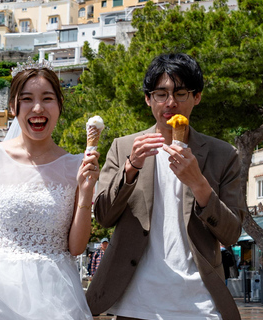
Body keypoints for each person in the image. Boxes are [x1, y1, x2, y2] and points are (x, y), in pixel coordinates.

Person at [86, 53, 247, 319]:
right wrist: (130, 169)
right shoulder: (124, 147)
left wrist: (199, 184)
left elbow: (231, 234)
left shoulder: (222, 154)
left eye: (181, 93)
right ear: (148, 99)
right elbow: (103, 216)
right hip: (134, 302)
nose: (171, 102)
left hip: (199, 303)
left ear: (197, 97)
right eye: (160, 94)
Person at [0, 61, 99, 319]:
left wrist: (86, 192)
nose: (37, 107)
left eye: (47, 98)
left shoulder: (76, 165)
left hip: (55, 293)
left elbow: (76, 247)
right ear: (13, 107)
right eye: (27, 99)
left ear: (59, 106)